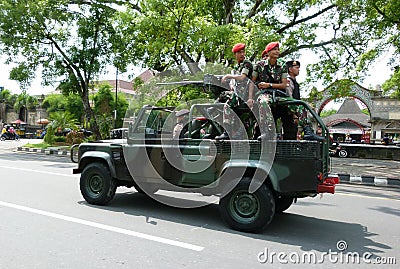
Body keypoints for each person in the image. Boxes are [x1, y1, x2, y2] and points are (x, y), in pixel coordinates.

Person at [252, 41, 296, 140]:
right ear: (268, 52)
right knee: (264, 102)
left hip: (278, 94)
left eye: (278, 49)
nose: (277, 51)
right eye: (274, 49)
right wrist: (250, 98)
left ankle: (308, 130)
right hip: (264, 94)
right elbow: (252, 82)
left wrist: (269, 85)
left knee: (298, 105)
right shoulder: (259, 65)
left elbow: (284, 85)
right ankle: (266, 131)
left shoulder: (282, 66)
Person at [216, 43, 255, 140]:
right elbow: (234, 83)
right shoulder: (236, 67)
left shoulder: (247, 64)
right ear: (235, 54)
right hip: (238, 94)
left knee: (227, 106)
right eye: (239, 52)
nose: (242, 54)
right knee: (223, 97)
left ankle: (227, 132)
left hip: (245, 95)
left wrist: (228, 76)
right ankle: (213, 109)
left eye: (243, 52)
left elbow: (242, 78)